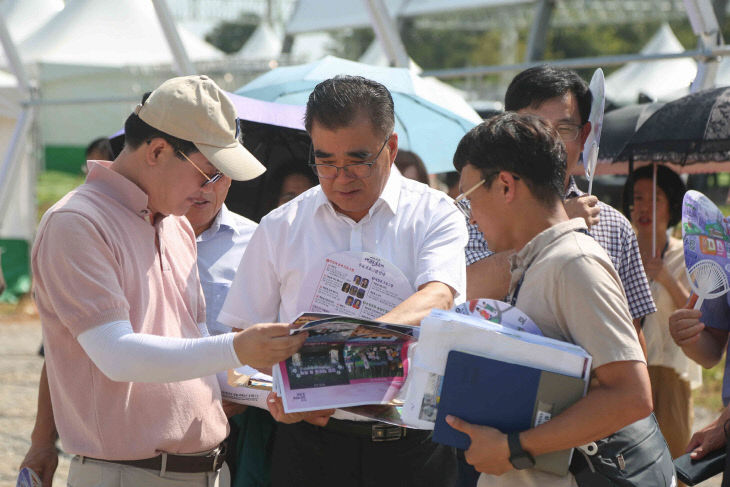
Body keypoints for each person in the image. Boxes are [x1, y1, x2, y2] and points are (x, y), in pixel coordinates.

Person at [20, 75, 306, 487]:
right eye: (208, 174)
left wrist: (276, 390)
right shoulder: (77, 223)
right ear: (157, 150)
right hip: (130, 474)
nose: (211, 190)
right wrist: (237, 348)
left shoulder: (175, 227)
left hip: (209, 469)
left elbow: (194, 346)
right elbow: (115, 355)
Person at [218, 75, 468, 487]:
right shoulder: (281, 226)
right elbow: (245, 342)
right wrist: (279, 393)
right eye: (325, 161)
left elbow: (438, 296)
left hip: (413, 450)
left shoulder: (435, 213)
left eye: (357, 160)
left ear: (390, 147)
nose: (340, 176)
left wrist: (344, 351)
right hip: (309, 446)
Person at [450, 112, 653, 487]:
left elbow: (631, 396)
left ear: (506, 186)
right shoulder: (536, 261)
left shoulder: (574, 262)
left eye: (468, 200)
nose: (471, 219)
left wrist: (513, 447)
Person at [463, 66, 655, 354]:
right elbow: (463, 291)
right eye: (534, 127)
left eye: (564, 129)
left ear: (584, 134)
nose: (549, 141)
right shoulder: (475, 209)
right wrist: (557, 226)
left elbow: (631, 334)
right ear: (506, 129)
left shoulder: (615, 226)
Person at [622, 165, 700, 464]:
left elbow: (699, 319)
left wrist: (667, 277)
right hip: (628, 370)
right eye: (637, 198)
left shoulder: (685, 255)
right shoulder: (620, 251)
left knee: (675, 458)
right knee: (631, 464)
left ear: (671, 207)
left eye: (654, 199)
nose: (643, 207)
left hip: (671, 375)